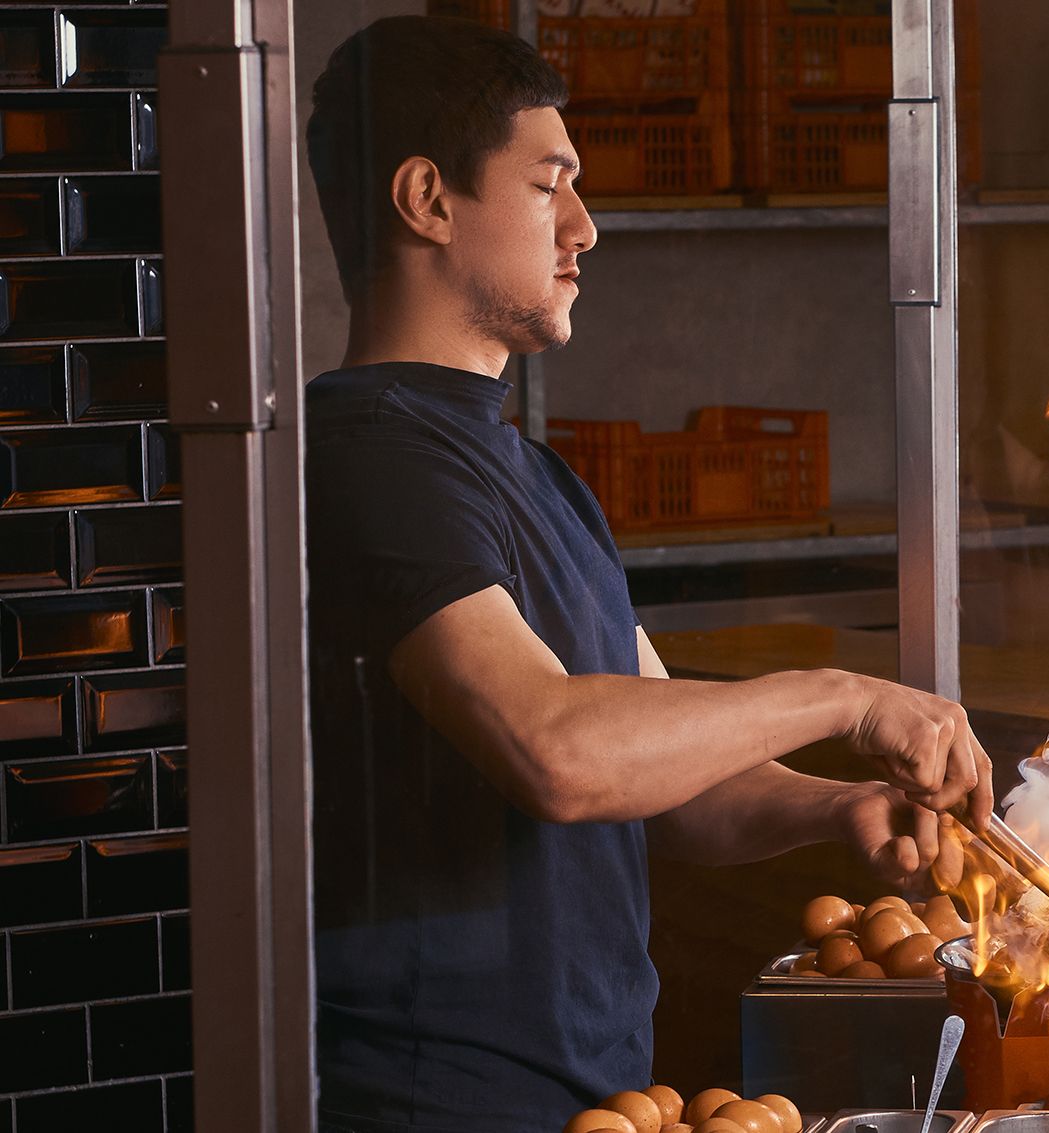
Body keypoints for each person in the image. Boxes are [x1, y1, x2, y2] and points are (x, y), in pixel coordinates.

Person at [301, 17, 993, 1133]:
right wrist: (845, 694)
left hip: (601, 1094)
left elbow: (676, 781)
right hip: (442, 1106)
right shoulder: (371, 458)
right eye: (548, 185)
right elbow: (560, 752)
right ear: (426, 200)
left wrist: (841, 803)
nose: (585, 226)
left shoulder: (536, 476)